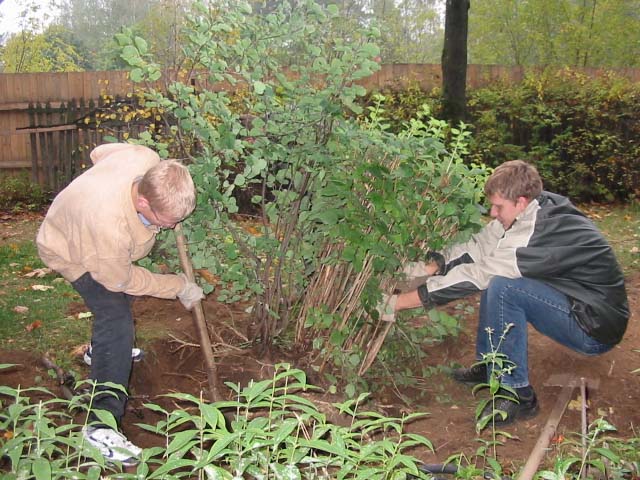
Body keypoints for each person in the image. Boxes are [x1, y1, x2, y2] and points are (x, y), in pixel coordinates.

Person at [378, 160, 629, 425]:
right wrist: (433, 266)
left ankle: (516, 395)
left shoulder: (535, 233)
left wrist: (396, 304)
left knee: (502, 285)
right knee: (499, 278)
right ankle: (491, 366)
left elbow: (477, 275)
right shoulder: (529, 208)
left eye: (498, 207)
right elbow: (481, 244)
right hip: (579, 303)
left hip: (594, 327)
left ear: (520, 201)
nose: (492, 212)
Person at [36, 143, 205, 465]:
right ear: (142, 200)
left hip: (98, 236)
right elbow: (119, 279)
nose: (171, 226)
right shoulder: (108, 228)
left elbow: (100, 152)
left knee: (116, 319)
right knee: (115, 317)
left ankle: (101, 353)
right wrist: (178, 286)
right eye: (166, 220)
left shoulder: (143, 159)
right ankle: (100, 426)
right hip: (68, 248)